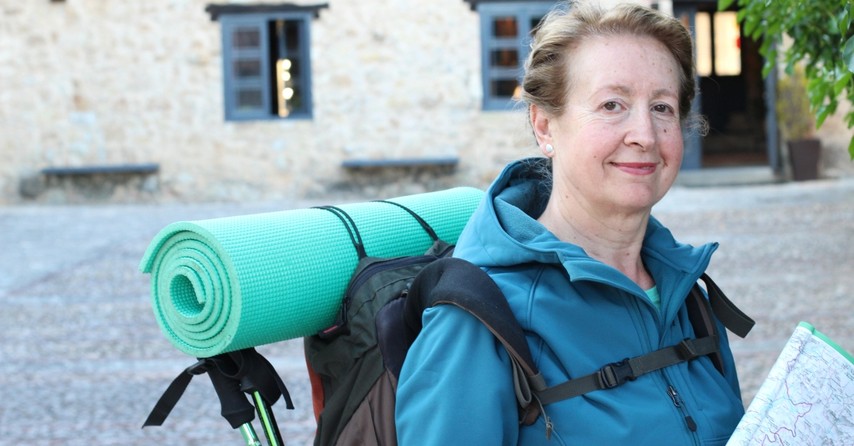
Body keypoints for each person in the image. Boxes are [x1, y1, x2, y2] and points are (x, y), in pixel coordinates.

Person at [395, 1, 745, 445]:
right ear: (544, 126)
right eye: (612, 104)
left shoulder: (687, 297)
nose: (644, 134)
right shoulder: (478, 320)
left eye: (661, 107)